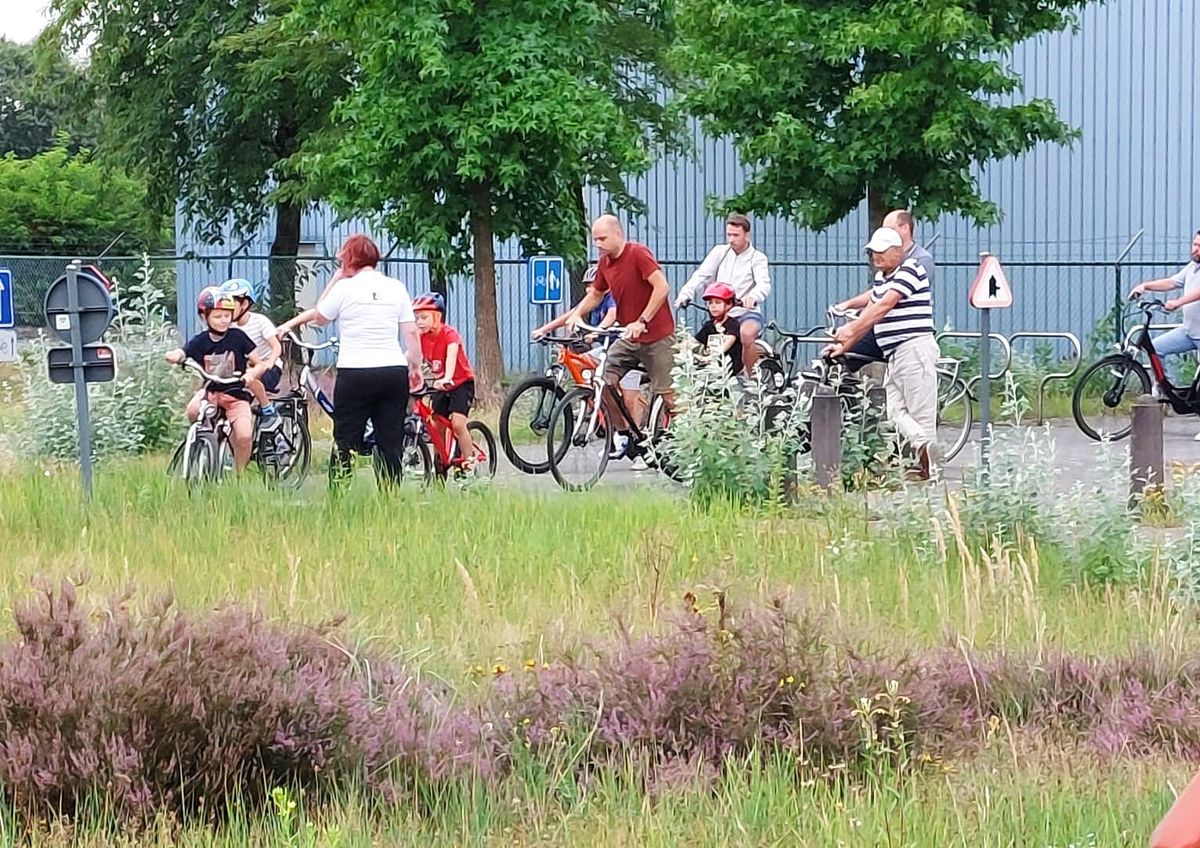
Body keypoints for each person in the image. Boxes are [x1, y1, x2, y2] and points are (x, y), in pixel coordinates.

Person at [275, 234, 424, 487]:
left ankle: (339, 496)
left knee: (346, 438)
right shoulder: (396, 287)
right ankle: (390, 497)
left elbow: (321, 317)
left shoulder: (345, 289)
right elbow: (410, 331)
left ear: (349, 260)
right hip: (392, 370)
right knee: (390, 440)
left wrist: (335, 279)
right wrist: (416, 365)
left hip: (356, 372)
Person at [827, 227, 939, 481]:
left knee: (921, 413)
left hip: (914, 348)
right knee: (894, 411)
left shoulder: (910, 269)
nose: (875, 256)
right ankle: (925, 453)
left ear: (898, 251)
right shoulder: (882, 279)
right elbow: (871, 317)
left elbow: (884, 306)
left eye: (881, 251)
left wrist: (850, 328)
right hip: (896, 353)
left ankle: (933, 475)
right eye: (872, 252)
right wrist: (843, 347)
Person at [567, 215, 675, 461]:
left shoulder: (638, 254)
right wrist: (576, 314)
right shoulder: (605, 263)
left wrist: (642, 320)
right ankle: (625, 435)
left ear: (618, 235)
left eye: (602, 238)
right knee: (601, 381)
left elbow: (662, 287)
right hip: (629, 337)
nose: (598, 244)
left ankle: (687, 439)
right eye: (595, 240)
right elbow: (596, 293)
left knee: (669, 396)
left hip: (656, 335)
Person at [165, 286, 272, 473]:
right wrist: (175, 355)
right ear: (204, 317)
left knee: (245, 435)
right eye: (217, 316)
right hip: (211, 392)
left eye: (226, 316)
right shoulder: (201, 340)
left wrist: (251, 375)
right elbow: (184, 351)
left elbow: (260, 363)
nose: (223, 320)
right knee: (193, 410)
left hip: (236, 396)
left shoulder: (238, 337)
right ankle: (205, 440)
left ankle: (238, 476)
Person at [675, 213, 771, 374]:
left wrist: (753, 297)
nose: (731, 239)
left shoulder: (757, 258)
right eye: (729, 235)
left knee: (746, 334)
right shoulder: (720, 252)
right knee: (701, 341)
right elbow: (702, 275)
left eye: (736, 235)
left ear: (747, 235)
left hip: (746, 312)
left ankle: (753, 380)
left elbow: (764, 283)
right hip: (723, 313)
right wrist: (686, 294)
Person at [1130, 230, 1200, 437]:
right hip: (1189, 332)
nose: (1195, 249)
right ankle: (1165, 387)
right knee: (1156, 349)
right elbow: (1172, 282)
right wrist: (1145, 286)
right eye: (1194, 244)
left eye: (1199, 246)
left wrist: (1178, 302)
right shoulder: (1192, 268)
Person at [412, 292, 477, 465]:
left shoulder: (450, 334)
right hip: (441, 385)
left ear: (437, 317)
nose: (419, 322)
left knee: (457, 424)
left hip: (461, 383)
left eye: (424, 317)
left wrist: (447, 377)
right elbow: (412, 356)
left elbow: (452, 356)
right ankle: (440, 463)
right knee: (436, 426)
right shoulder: (421, 337)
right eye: (417, 318)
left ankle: (469, 463)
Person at [219, 278, 283, 426]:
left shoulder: (260, 322)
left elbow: (276, 347)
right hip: (243, 368)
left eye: (230, 304)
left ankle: (268, 411)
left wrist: (269, 363)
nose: (225, 309)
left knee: (251, 379)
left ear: (244, 304)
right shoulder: (227, 325)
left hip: (269, 368)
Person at [693, 283, 743, 377]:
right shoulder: (709, 326)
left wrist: (712, 357)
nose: (713, 306)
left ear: (729, 304)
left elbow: (728, 342)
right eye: (710, 303)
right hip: (711, 367)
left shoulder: (733, 324)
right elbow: (695, 342)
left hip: (729, 371)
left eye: (718, 302)